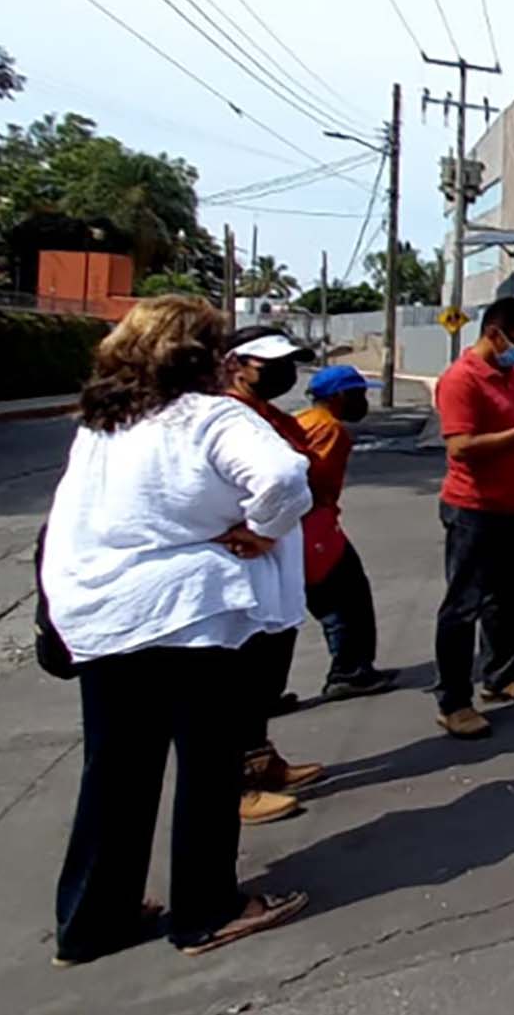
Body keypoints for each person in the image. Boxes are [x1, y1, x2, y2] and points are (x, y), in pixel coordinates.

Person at [41, 296, 311, 963]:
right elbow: (282, 477)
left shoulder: (102, 423)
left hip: (104, 614)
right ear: (204, 355)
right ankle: (206, 908)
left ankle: (91, 920)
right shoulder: (209, 415)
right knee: (208, 766)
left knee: (115, 771)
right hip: (190, 615)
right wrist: (263, 530)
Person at [433, 297, 514, 738]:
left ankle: (502, 675)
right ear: (493, 333)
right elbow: (461, 446)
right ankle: (453, 701)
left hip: (513, 504)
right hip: (473, 508)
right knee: (463, 605)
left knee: (507, 597)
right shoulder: (461, 380)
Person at [221, 327, 326, 817]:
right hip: (244, 564)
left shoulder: (273, 417)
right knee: (238, 680)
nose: (283, 372)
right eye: (269, 364)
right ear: (235, 365)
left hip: (281, 561)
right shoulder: (227, 418)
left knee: (267, 673)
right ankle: (238, 784)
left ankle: (262, 760)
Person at [294, 366, 397, 701]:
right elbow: (312, 482)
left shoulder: (304, 419)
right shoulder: (329, 430)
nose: (363, 401)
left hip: (306, 527)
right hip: (313, 528)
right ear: (340, 396)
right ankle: (349, 672)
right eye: (359, 394)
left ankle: (355, 668)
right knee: (344, 600)